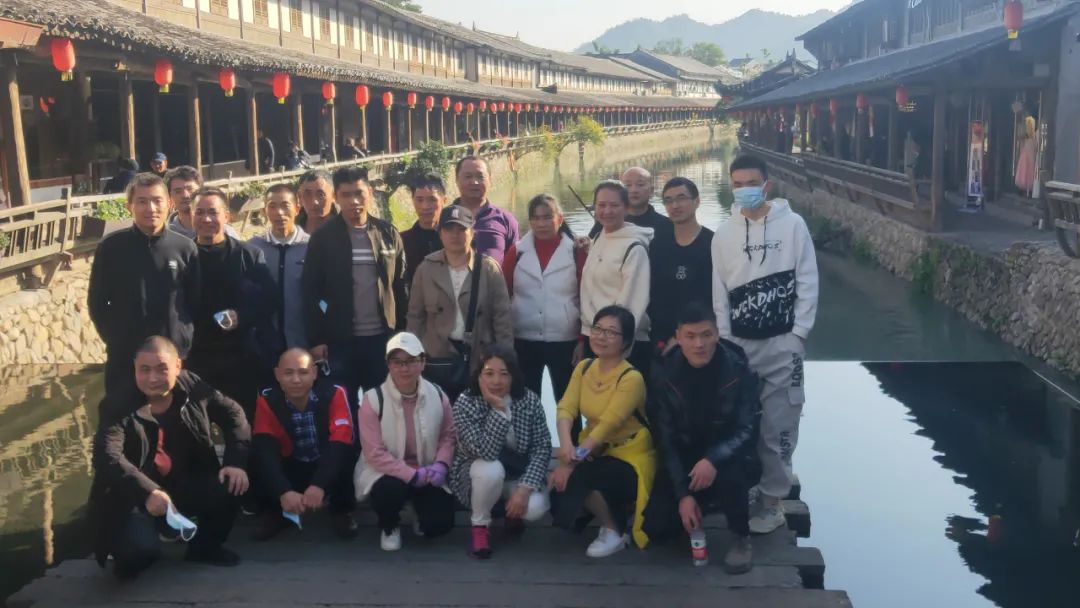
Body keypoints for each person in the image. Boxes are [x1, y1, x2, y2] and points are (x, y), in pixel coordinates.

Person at [712, 154, 818, 534]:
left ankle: (773, 502)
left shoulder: (793, 225)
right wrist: (725, 341)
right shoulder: (723, 234)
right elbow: (719, 292)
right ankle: (745, 487)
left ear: (767, 185)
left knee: (780, 424)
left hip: (782, 343)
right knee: (738, 421)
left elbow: (807, 280)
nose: (745, 190)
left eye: (751, 183)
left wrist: (799, 333)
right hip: (739, 345)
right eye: (737, 184)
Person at [88, 336, 250, 579]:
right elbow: (107, 456)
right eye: (144, 370)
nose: (153, 378)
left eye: (161, 369)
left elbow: (233, 413)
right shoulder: (116, 404)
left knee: (232, 482)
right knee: (138, 554)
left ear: (177, 366)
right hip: (135, 494)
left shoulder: (192, 386)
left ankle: (204, 548)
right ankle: (134, 542)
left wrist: (235, 463)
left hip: (184, 483)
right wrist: (148, 491)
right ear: (134, 368)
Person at [642, 303, 761, 574]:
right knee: (657, 531)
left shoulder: (738, 369)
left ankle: (741, 537)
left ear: (717, 334)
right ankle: (697, 504)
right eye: (691, 336)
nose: (699, 344)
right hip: (685, 454)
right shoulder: (664, 374)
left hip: (726, 454)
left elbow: (747, 429)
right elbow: (665, 440)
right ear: (678, 337)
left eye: (706, 335)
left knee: (734, 471)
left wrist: (713, 460)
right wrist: (683, 494)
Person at [550, 305, 656, 558]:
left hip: (629, 454)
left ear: (626, 342)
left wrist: (571, 463)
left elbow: (608, 425)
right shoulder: (584, 367)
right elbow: (566, 407)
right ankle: (609, 511)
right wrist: (566, 447)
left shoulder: (630, 378)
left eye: (611, 332)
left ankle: (614, 530)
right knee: (559, 490)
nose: (601, 336)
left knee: (578, 477)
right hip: (596, 451)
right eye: (597, 329)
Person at [302, 166, 407, 402]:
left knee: (383, 403)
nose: (354, 201)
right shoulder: (323, 238)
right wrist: (316, 340)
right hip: (340, 341)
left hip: (383, 338)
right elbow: (310, 292)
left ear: (370, 192)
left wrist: (402, 334)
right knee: (344, 405)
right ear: (336, 197)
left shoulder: (388, 233)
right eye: (346, 195)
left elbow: (401, 287)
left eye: (359, 193)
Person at [88, 173, 200, 392]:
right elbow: (97, 303)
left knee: (177, 412)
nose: (151, 208)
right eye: (142, 201)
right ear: (129, 206)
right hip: (125, 357)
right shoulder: (111, 248)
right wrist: (115, 339)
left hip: (174, 357)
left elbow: (195, 302)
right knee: (122, 412)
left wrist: (183, 340)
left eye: (157, 200)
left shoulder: (185, 248)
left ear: (169, 204)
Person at [355, 332, 457, 551]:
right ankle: (390, 525)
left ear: (423, 362)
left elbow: (448, 435)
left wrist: (441, 465)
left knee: (439, 524)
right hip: (387, 473)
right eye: (397, 362)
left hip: (427, 471)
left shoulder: (439, 395)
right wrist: (410, 475)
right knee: (388, 492)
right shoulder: (372, 400)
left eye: (411, 361)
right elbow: (374, 453)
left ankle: (417, 512)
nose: (404, 368)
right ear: (388, 365)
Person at [449, 346, 552, 559]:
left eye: (504, 373)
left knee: (536, 507)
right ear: (479, 375)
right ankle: (479, 527)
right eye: (489, 373)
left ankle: (512, 512)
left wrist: (524, 490)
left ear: (514, 375)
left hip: (516, 472)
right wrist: (498, 408)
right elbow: (485, 452)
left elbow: (542, 447)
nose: (496, 381)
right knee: (491, 468)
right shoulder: (465, 402)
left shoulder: (529, 400)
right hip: (475, 475)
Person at [251, 348, 358, 541]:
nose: (296, 380)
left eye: (303, 372)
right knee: (258, 455)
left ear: (314, 373)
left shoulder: (335, 393)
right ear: (277, 375)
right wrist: (283, 490)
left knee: (346, 451)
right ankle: (274, 512)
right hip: (292, 464)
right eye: (288, 373)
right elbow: (266, 449)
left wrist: (319, 484)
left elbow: (340, 442)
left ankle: (342, 510)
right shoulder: (266, 399)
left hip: (325, 462)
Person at [406, 205, 513, 399]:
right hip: (437, 360)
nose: (455, 235)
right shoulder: (426, 269)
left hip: (480, 360)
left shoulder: (489, 269)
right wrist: (414, 358)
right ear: (440, 234)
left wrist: (505, 361)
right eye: (449, 229)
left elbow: (502, 319)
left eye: (461, 229)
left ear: (472, 233)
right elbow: (415, 317)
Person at [187, 187, 274, 418]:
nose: (206, 219)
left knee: (241, 423)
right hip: (196, 357)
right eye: (200, 212)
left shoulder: (249, 255)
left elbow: (268, 300)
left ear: (226, 216)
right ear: (191, 215)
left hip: (240, 356)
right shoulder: (182, 256)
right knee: (198, 424)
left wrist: (241, 316)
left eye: (213, 212)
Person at [502, 194, 586, 404]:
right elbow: (503, 296)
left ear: (560, 218)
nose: (541, 224)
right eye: (536, 218)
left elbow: (586, 297)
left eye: (547, 217)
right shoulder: (517, 252)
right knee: (526, 404)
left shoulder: (576, 252)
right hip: (523, 340)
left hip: (566, 340)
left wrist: (582, 340)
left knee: (568, 404)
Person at [580, 180, 653, 376]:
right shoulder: (598, 238)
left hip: (620, 345)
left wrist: (615, 344)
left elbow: (632, 302)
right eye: (601, 205)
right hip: (595, 338)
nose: (607, 211)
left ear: (626, 208)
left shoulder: (634, 248)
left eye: (614, 205)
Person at [648, 177, 713, 351]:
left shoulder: (713, 244)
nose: (675, 206)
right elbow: (654, 294)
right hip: (662, 339)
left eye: (681, 198)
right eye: (668, 201)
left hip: (700, 339)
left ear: (697, 201)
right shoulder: (657, 245)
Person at [250, 183, 310, 368]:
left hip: (304, 344)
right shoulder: (252, 248)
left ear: (297, 209)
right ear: (264, 211)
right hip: (264, 346)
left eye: (285, 205)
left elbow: (324, 297)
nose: (279, 213)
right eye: (272, 206)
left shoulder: (312, 247)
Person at [452, 156, 519, 264]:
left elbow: (515, 263)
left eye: (480, 176)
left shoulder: (506, 220)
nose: (474, 182)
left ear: (490, 180)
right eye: (468, 176)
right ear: (456, 180)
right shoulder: (444, 219)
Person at [588, 167, 672, 239]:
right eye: (628, 185)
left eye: (640, 184)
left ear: (651, 190)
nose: (633, 190)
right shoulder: (608, 221)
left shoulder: (666, 225)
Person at [164, 165, 238, 240]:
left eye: (190, 189)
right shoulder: (166, 235)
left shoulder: (224, 231)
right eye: (178, 191)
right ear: (169, 197)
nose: (185, 195)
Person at [401, 174, 446, 288]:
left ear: (444, 200)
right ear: (412, 200)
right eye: (419, 200)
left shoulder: (454, 239)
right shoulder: (402, 241)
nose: (425, 206)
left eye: (432, 199)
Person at [295, 169, 338, 235]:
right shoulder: (291, 231)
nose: (314, 202)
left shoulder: (347, 228)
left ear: (334, 195)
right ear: (299, 197)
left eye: (321, 195)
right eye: (308, 194)